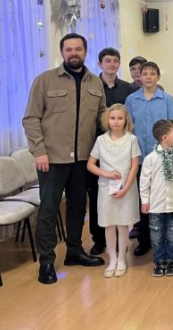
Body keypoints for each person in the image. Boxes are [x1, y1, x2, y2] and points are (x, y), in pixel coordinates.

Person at [22, 33, 106, 285]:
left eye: (78, 49)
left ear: (85, 51)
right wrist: (39, 151)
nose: (73, 53)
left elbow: (101, 117)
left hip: (83, 159)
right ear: (62, 53)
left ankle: (74, 251)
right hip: (52, 159)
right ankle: (46, 261)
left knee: (78, 207)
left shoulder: (95, 82)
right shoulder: (45, 80)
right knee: (48, 209)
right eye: (68, 49)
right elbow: (31, 119)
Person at [125, 61, 173, 257]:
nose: (148, 77)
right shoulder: (131, 99)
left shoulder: (167, 99)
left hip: (162, 158)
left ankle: (166, 239)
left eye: (152, 73)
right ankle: (144, 240)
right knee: (143, 198)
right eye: (145, 73)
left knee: (163, 197)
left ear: (158, 77)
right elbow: (127, 127)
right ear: (139, 77)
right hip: (139, 158)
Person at [88, 47, 138, 257]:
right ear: (100, 64)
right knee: (98, 196)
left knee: (122, 196)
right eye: (107, 61)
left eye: (115, 61)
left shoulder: (127, 88)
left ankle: (122, 238)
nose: (111, 64)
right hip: (98, 146)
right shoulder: (91, 85)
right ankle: (99, 239)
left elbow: (130, 116)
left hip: (122, 148)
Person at [86, 104, 141, 278]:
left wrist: (126, 188)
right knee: (109, 224)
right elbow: (90, 165)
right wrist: (107, 174)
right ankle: (113, 259)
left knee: (123, 224)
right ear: (107, 120)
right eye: (112, 118)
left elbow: (134, 166)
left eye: (120, 118)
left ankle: (122, 259)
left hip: (126, 189)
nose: (116, 122)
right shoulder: (101, 140)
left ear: (125, 120)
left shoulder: (131, 140)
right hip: (106, 189)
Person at [139, 119, 173, 277]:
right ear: (164, 137)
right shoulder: (151, 158)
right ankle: (159, 261)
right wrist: (145, 200)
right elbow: (144, 182)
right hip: (156, 206)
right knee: (157, 236)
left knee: (171, 235)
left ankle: (170, 261)